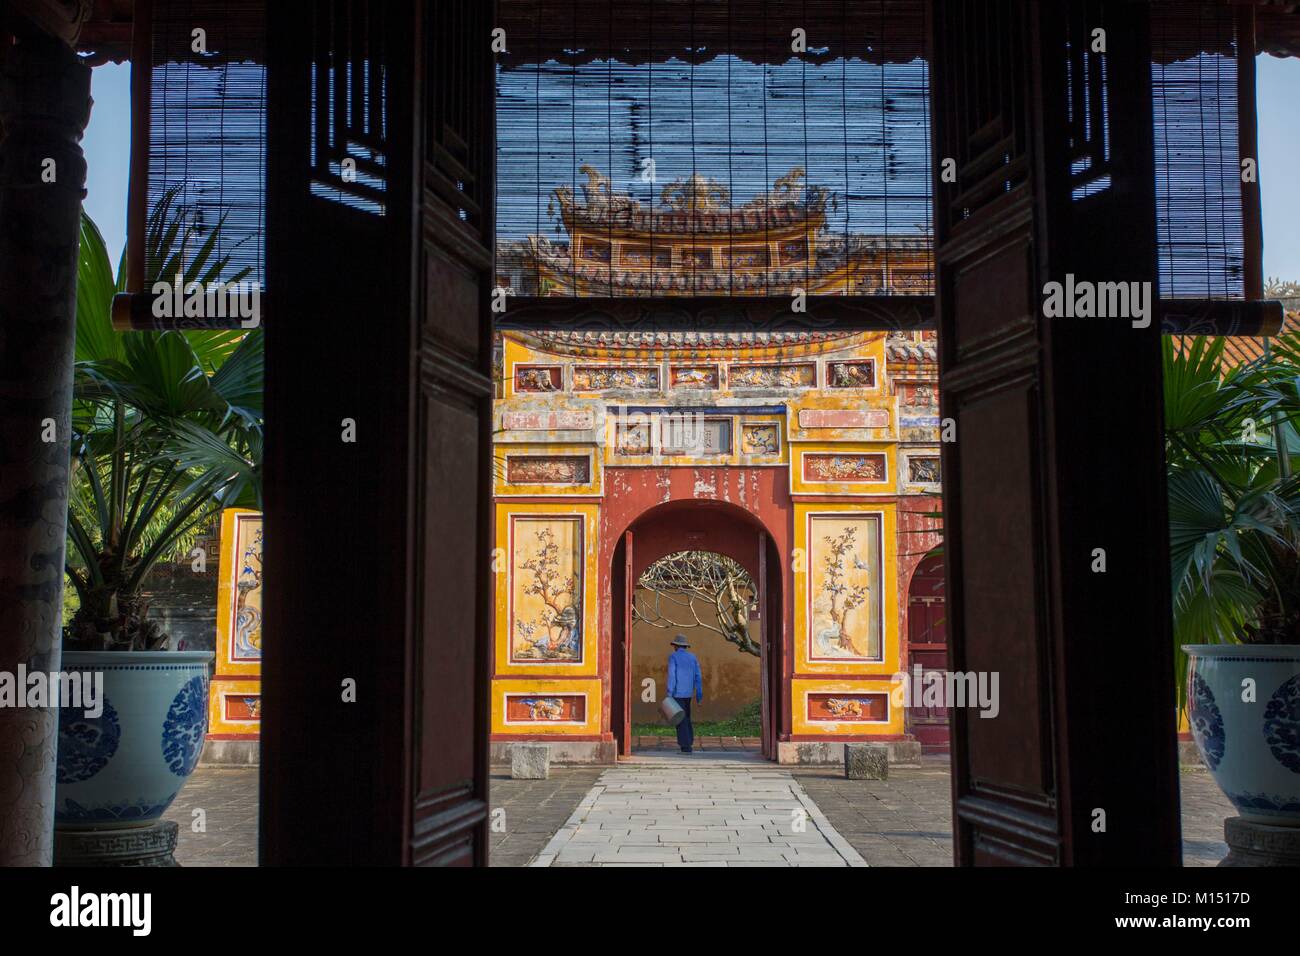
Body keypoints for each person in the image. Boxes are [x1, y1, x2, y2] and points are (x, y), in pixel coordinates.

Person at [666, 634, 703, 753]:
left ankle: (686, 746)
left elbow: (672, 675)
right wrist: (699, 694)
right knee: (687, 718)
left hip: (677, 694)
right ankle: (689, 741)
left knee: (680, 719)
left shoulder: (673, 657)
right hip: (688, 694)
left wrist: (669, 693)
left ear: (676, 646)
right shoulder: (693, 657)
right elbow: (698, 676)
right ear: (685, 646)